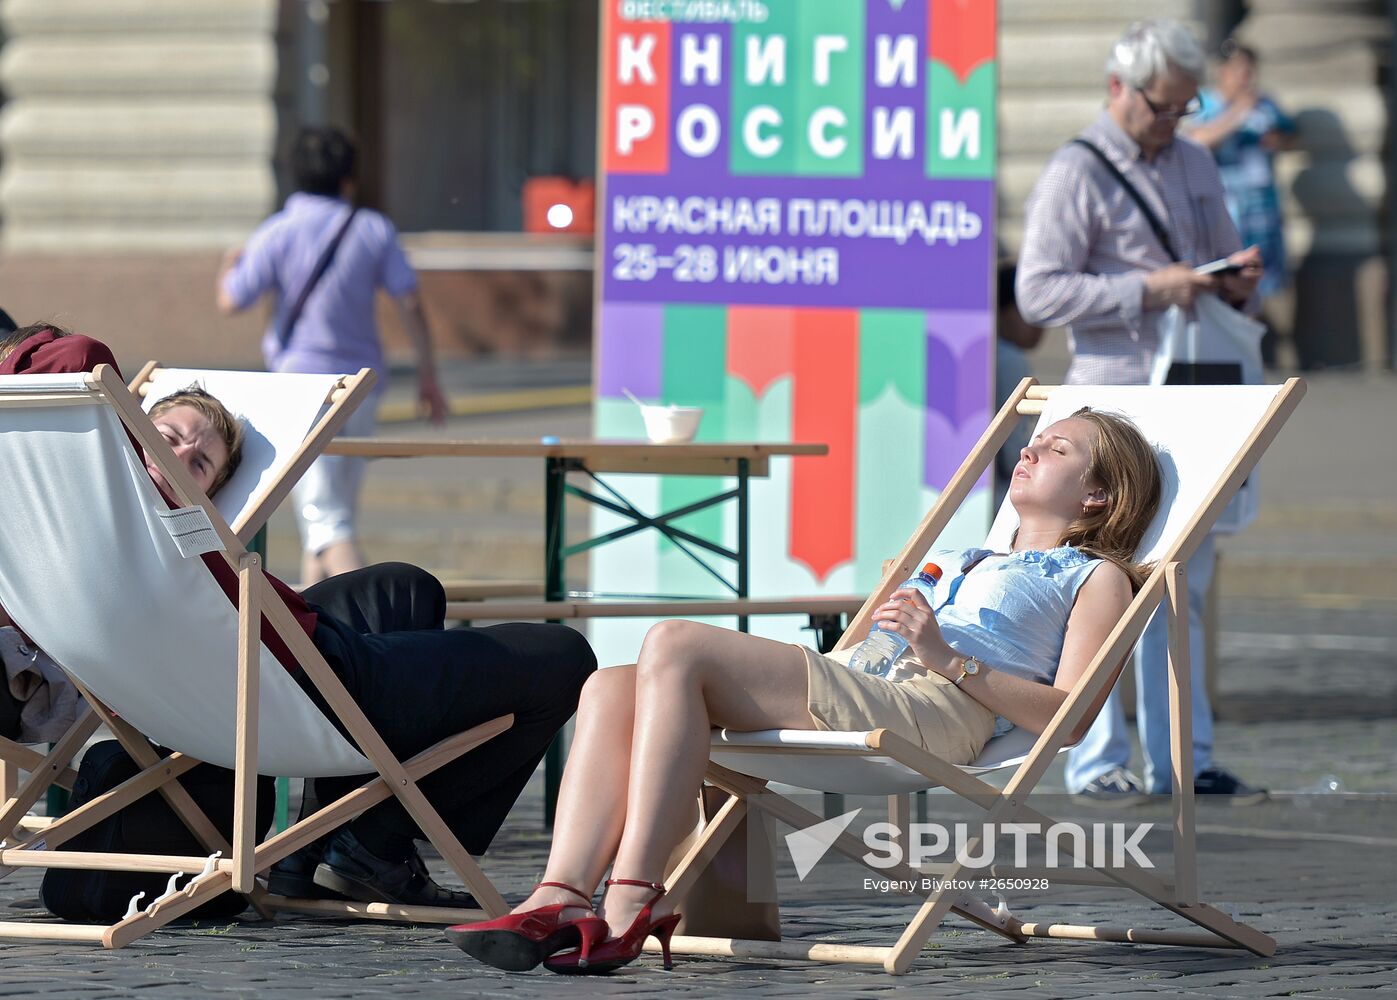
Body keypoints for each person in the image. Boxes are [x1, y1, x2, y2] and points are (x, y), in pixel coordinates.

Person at [447, 408, 1162, 974]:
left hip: (934, 711)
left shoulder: (1089, 576)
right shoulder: (959, 555)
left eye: (1059, 449)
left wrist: (942, 656)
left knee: (674, 640)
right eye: (1035, 440)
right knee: (609, 686)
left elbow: (1069, 722)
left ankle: (631, 894)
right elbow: (866, 650)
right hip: (865, 685)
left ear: (1097, 496)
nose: (1032, 451)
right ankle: (559, 896)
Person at [0, 324, 597, 907]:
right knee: (566, 656)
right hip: (316, 685)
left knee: (403, 589)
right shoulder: (151, 520)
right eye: (168, 436)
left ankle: (330, 852)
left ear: (206, 497)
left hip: (231, 676)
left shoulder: (51, 529)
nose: (180, 455)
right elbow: (78, 354)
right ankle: (375, 834)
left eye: (201, 463)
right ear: (129, 433)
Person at [1015, 18, 1266, 805]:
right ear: (1118, 89)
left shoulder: (1192, 159)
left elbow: (1216, 246)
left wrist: (1232, 277)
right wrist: (1146, 287)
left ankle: (1184, 758)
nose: (1172, 122)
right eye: (1161, 106)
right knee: (1098, 580)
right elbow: (1038, 291)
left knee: (1185, 580)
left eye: (1183, 108)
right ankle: (1094, 761)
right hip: (1115, 396)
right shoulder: (1074, 171)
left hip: (1192, 386)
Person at [216, 126, 449, 586]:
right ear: (348, 179)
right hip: (363, 387)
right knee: (329, 515)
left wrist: (228, 265)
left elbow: (231, 300)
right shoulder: (373, 229)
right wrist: (428, 376)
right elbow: (410, 301)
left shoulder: (278, 231)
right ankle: (321, 640)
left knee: (326, 521)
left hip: (301, 390)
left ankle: (373, 623)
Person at [1187, 40, 1296, 308]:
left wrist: (1276, 140)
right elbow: (1196, 141)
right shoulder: (1206, 103)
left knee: (1266, 294)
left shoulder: (1266, 104)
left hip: (1264, 215)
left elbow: (1291, 136)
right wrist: (1238, 113)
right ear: (1223, 71)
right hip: (1227, 217)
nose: (1247, 78)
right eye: (1240, 71)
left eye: (1251, 71)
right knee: (1230, 293)